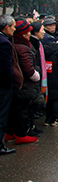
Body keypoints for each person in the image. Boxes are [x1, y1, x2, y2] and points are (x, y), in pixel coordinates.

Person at [6, 19, 41, 144]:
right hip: (24, 85)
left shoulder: (14, 43)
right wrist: (36, 75)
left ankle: (9, 133)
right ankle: (21, 134)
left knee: (13, 110)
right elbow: (28, 68)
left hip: (17, 84)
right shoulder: (23, 48)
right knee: (22, 110)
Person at [0, 15, 18, 155]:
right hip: (3, 87)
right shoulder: (4, 43)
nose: (15, 29)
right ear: (6, 27)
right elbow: (6, 69)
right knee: (2, 116)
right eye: (13, 26)